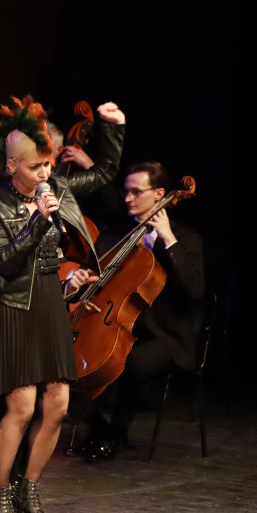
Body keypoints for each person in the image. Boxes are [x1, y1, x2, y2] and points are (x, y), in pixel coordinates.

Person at [0, 96, 125, 513]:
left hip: (47, 304)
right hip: (11, 308)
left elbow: (105, 175)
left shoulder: (55, 189)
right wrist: (37, 221)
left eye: (48, 165)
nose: (45, 174)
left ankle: (29, 489)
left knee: (56, 405)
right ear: (11, 165)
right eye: (36, 166)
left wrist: (113, 129)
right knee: (20, 407)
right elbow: (1, 263)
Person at [78, 161, 204, 461]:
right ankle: (98, 428)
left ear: (160, 194)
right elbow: (93, 269)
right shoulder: (117, 233)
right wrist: (83, 281)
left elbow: (195, 290)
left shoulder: (186, 239)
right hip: (117, 323)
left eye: (136, 192)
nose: (127, 198)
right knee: (69, 360)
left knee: (134, 362)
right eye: (126, 192)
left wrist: (168, 239)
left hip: (164, 334)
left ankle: (116, 431)